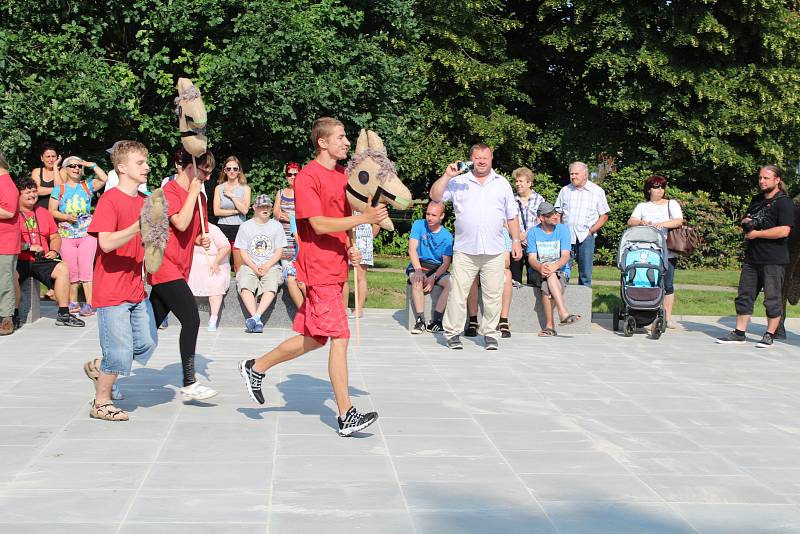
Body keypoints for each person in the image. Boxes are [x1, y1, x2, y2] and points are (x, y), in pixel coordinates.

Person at [238, 116, 386, 437]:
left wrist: (349, 246)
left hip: (335, 265)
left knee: (317, 337)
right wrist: (364, 218)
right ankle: (346, 414)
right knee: (340, 337)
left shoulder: (339, 176)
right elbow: (317, 223)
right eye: (341, 137)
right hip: (317, 269)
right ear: (323, 142)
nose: (347, 142)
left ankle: (256, 367)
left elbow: (341, 218)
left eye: (347, 137)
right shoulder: (307, 178)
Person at [83, 140, 158, 421]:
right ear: (122, 167)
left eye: (146, 162)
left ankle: (103, 367)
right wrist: (136, 226)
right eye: (140, 163)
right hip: (111, 288)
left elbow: (152, 240)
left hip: (137, 288)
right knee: (120, 351)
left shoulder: (145, 201)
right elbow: (106, 243)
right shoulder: (110, 199)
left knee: (147, 344)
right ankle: (101, 402)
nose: (146, 167)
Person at [429, 143, 522, 350]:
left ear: (491, 159)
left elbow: (511, 216)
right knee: (457, 293)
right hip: (465, 249)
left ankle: (490, 333)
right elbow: (435, 197)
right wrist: (446, 176)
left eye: (485, 157)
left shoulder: (502, 184)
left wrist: (515, 241)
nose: (481, 161)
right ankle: (452, 333)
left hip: (495, 249)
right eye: (477, 157)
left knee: (493, 294)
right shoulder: (459, 181)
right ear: (471, 159)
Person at [148, 147, 218, 400]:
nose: (207, 178)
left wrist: (201, 240)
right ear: (186, 166)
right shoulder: (169, 192)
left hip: (180, 267)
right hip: (164, 266)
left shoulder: (200, 198)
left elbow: (193, 232)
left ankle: (105, 370)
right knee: (192, 319)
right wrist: (193, 192)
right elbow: (179, 222)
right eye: (203, 172)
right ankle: (189, 381)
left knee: (146, 329)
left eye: (210, 173)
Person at [716, 165, 794, 348]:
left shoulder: (784, 202)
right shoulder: (756, 199)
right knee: (744, 295)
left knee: (772, 298)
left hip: (774, 259)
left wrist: (758, 234)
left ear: (777, 180)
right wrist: (747, 223)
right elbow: (747, 218)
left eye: (766, 178)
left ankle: (769, 334)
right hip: (752, 258)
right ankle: (739, 332)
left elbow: (784, 230)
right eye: (760, 178)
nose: (762, 181)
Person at [13, 178, 84, 327]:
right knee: (10, 275)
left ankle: (64, 314)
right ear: (18, 194)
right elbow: (6, 240)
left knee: (63, 268)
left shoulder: (43, 212)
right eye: (28, 192)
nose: (32, 195)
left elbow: (55, 236)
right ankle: (14, 315)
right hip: (19, 259)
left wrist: (54, 250)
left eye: (34, 191)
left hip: (42, 259)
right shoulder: (12, 214)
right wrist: (27, 246)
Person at [49, 156, 108, 316]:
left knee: (86, 270)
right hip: (66, 235)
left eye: (78, 166)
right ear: (65, 169)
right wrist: (66, 217)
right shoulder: (59, 189)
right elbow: (51, 211)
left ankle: (89, 304)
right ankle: (73, 302)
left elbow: (104, 178)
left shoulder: (87, 186)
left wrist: (92, 164)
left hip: (87, 234)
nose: (76, 169)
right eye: (72, 166)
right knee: (71, 271)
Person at [627, 175, 684, 329]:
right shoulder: (642, 206)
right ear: (649, 189)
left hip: (666, 249)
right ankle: (645, 312)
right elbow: (630, 221)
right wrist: (641, 222)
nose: (660, 190)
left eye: (662, 187)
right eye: (657, 187)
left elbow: (679, 220)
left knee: (667, 284)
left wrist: (662, 224)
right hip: (646, 250)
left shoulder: (671, 204)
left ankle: (667, 317)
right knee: (646, 280)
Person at [234, 194, 286, 333]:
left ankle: (256, 317)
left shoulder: (276, 226)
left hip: (271, 265)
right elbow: (243, 252)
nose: (265, 209)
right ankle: (256, 320)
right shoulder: (245, 226)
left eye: (268, 206)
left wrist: (267, 265)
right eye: (262, 206)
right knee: (244, 283)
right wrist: (254, 267)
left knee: (271, 284)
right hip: (250, 264)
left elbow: (279, 251)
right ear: (254, 208)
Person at [527, 201, 580, 336]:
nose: (555, 216)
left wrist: (553, 267)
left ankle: (550, 327)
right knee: (548, 277)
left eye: (555, 213)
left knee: (548, 283)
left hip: (560, 270)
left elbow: (565, 256)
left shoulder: (563, 230)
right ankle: (563, 313)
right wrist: (540, 267)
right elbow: (532, 258)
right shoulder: (533, 232)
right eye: (550, 215)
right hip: (538, 271)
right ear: (542, 218)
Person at [555, 161, 610, 287]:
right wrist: (559, 231)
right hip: (566, 237)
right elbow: (558, 214)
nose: (573, 176)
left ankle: (582, 305)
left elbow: (604, 215)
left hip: (586, 237)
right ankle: (561, 302)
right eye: (571, 174)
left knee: (585, 275)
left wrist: (591, 231)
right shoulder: (565, 191)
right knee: (562, 272)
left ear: (585, 175)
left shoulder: (597, 191)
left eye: (576, 174)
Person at [407, 201, 453, 333]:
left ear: (442, 216)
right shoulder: (418, 225)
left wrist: (434, 277)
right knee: (417, 280)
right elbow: (412, 250)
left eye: (433, 215)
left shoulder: (447, 236)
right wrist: (418, 270)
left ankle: (437, 321)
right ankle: (420, 321)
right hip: (419, 264)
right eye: (427, 214)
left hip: (437, 268)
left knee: (452, 283)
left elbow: (445, 263)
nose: (429, 218)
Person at [464, 225, 514, 338]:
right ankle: (473, 320)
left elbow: (507, 262)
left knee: (507, 274)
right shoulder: (474, 230)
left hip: (493, 270)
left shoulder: (502, 232)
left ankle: (503, 320)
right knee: (471, 276)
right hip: (477, 269)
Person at [188, 223, 231, 332]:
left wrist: (216, 262)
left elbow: (225, 247)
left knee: (216, 281)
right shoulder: (187, 228)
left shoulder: (213, 229)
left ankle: (213, 318)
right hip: (191, 267)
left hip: (214, 264)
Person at [274, 162, 305, 309]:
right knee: (290, 275)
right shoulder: (281, 193)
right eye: (289, 174)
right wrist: (292, 216)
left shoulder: (304, 193)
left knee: (302, 279)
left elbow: (304, 216)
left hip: (299, 240)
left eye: (295, 174)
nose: (292, 177)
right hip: (284, 241)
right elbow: (276, 214)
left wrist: (290, 217)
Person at [213, 156, 251, 272]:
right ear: (224, 170)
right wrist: (235, 211)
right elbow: (216, 211)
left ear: (239, 170)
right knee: (222, 266)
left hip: (240, 228)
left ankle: (240, 289)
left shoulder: (245, 188)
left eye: (235, 169)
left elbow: (244, 210)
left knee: (238, 267)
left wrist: (232, 196)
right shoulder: (219, 188)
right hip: (223, 228)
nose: (232, 171)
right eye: (228, 169)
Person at [511, 166, 544, 286]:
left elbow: (541, 221)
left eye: (521, 181)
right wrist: (517, 236)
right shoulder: (511, 199)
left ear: (529, 183)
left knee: (534, 279)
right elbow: (505, 220)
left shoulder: (539, 199)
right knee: (515, 279)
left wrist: (526, 235)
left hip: (532, 244)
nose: (517, 184)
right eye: (516, 181)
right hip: (515, 243)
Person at [0, 151, 20, 335]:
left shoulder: (6, 184)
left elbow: (8, 212)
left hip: (4, 242)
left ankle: (6, 320)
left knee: (4, 281)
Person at [344, 214, 379, 318]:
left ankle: (359, 308)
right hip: (345, 236)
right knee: (343, 276)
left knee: (360, 276)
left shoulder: (369, 201)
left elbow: (377, 222)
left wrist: (368, 238)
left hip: (363, 237)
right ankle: (343, 308)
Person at [30, 142, 63, 211]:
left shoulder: (62, 171)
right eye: (48, 157)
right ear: (42, 158)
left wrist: (55, 167)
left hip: (58, 212)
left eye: (53, 156)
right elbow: (35, 191)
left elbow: (61, 191)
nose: (51, 160)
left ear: (57, 158)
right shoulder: (37, 171)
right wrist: (55, 189)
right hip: (39, 211)